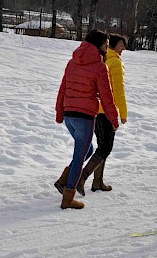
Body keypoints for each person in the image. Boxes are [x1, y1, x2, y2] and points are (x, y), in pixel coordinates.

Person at [55, 30, 119, 210]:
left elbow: (63, 89)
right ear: (98, 45)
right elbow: (107, 97)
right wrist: (113, 120)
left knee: (87, 149)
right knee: (79, 157)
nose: (107, 48)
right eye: (106, 45)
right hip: (84, 116)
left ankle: (64, 180)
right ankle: (68, 198)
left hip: (69, 115)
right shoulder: (100, 67)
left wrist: (60, 113)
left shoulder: (72, 62)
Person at [77, 33, 128, 195]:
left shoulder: (103, 59)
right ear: (112, 46)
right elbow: (118, 91)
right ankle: (83, 177)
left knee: (101, 147)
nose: (123, 49)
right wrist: (123, 113)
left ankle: (97, 182)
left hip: (96, 110)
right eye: (121, 45)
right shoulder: (115, 63)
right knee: (106, 147)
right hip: (107, 110)